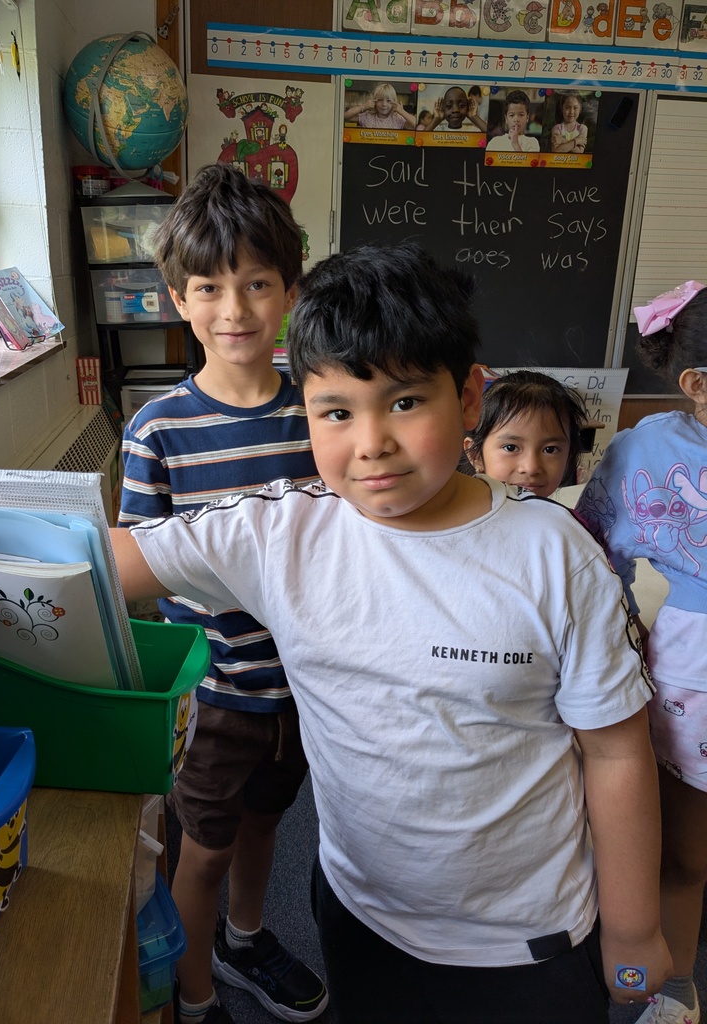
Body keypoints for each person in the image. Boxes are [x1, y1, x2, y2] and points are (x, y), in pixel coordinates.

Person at [112, 241, 672, 1024]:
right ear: (303, 407)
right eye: (336, 412)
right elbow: (103, 563)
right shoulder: (281, 534)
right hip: (360, 915)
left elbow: (615, 750)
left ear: (470, 399)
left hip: (526, 942)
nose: (371, 441)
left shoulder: (556, 555)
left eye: (405, 402)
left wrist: (636, 928)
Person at [118, 162, 326, 1024]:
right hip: (213, 696)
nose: (234, 309)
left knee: (265, 830)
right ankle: (196, 995)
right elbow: (134, 572)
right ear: (178, 298)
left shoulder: (321, 414)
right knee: (197, 852)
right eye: (209, 287)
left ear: (290, 293)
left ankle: (245, 939)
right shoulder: (158, 429)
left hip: (306, 688)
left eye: (257, 284)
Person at [576, 280, 707, 1024]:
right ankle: (671, 982)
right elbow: (595, 556)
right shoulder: (646, 453)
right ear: (695, 385)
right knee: (679, 852)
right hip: (692, 677)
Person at [463, 369, 588, 496]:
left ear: (569, 454)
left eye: (550, 449)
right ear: (475, 455)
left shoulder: (564, 515)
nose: (531, 468)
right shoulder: (465, 515)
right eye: (511, 448)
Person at [343, 82, 416, 130]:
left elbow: (416, 124)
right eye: (380, 100)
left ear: (394, 103)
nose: (384, 104)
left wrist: (402, 112)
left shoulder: (398, 119)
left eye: (388, 101)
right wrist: (363, 107)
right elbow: (345, 116)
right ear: (374, 101)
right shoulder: (367, 116)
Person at [416, 84, 486, 132]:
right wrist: (437, 118)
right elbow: (422, 140)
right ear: (443, 109)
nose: (455, 110)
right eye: (449, 106)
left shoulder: (473, 131)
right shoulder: (437, 130)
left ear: (467, 108)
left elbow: (491, 138)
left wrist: (474, 116)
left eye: (461, 105)